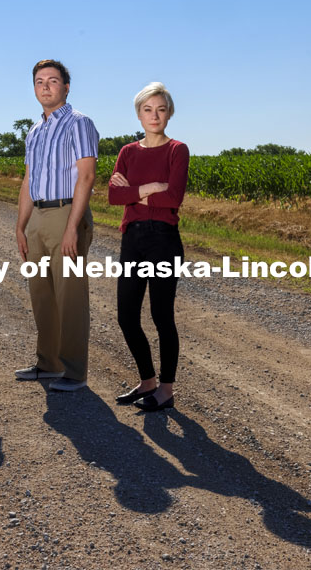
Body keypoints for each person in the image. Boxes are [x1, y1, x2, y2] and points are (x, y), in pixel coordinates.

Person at [14, 60, 99, 391]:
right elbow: (28, 181)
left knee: (69, 296)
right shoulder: (34, 132)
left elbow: (87, 176)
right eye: (39, 81)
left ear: (66, 87)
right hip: (37, 217)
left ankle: (75, 372)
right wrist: (21, 227)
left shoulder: (79, 124)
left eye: (53, 81)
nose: (45, 86)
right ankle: (48, 364)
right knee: (42, 294)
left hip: (67, 214)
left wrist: (71, 228)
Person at [108, 82, 189, 411]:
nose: (154, 115)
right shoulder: (127, 152)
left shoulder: (177, 150)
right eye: (147, 109)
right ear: (139, 114)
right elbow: (114, 197)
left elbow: (173, 198)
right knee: (126, 316)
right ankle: (147, 382)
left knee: (161, 315)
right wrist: (152, 186)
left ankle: (166, 390)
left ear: (169, 113)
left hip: (163, 240)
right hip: (132, 239)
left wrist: (135, 192)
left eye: (160, 109)